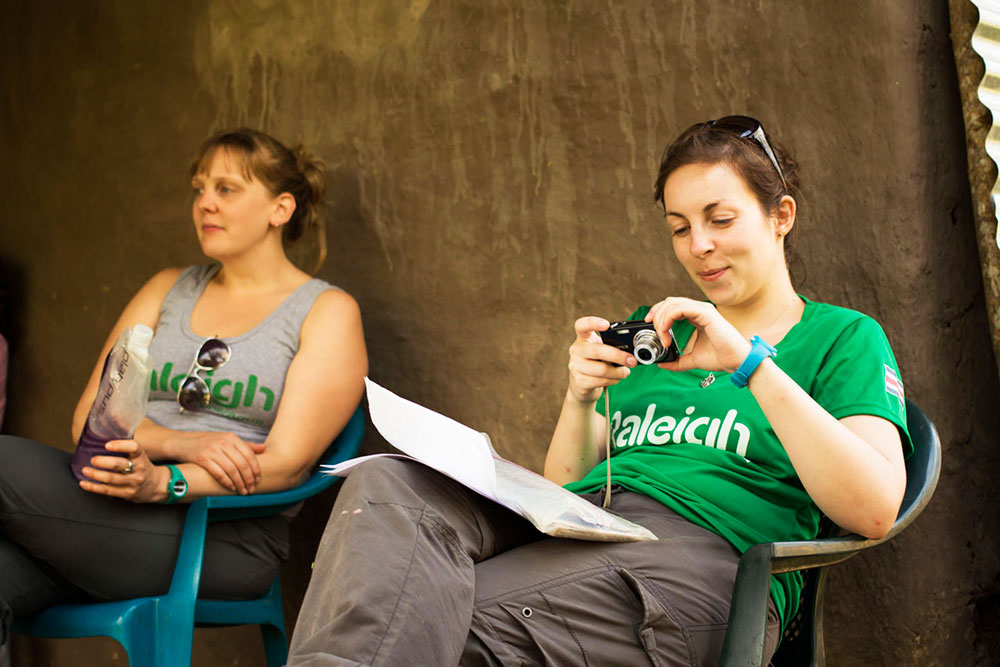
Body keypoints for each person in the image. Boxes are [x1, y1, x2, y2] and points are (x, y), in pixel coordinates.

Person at [285, 116, 911, 666]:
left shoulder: (842, 337)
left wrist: (749, 363)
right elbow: (564, 491)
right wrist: (581, 396)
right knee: (388, 486)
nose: (699, 246)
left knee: (419, 619)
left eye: (720, 219)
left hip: (705, 568)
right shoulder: (657, 333)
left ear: (781, 217)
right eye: (679, 228)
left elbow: (875, 508)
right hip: (589, 532)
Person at [0, 129, 368, 653]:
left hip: (221, 537)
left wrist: (167, 482)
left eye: (226, 189)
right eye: (199, 189)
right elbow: (88, 421)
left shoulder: (325, 312)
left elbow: (287, 465)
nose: (205, 204)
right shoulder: (167, 289)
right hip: (109, 514)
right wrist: (181, 443)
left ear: (280, 208)